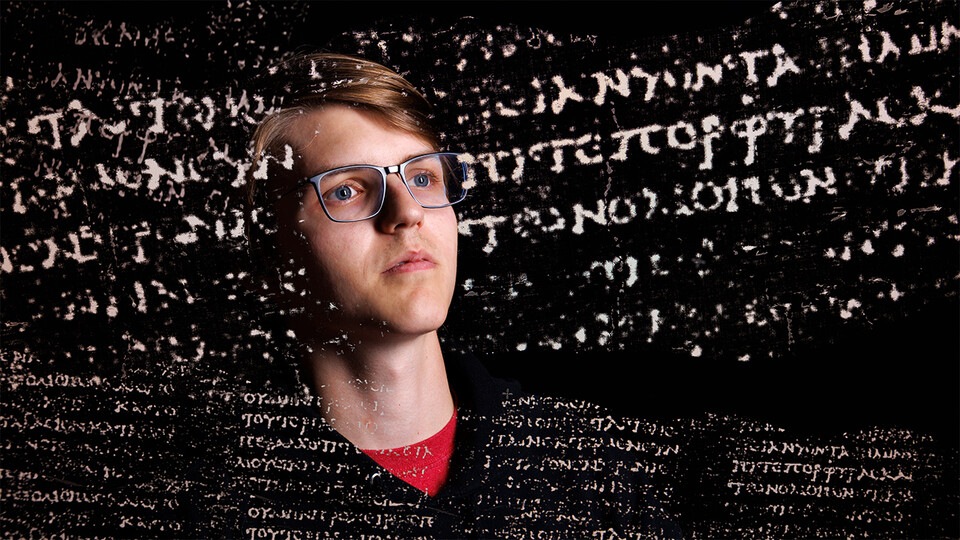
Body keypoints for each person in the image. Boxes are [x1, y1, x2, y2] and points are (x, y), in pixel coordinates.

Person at [184, 52, 682, 538]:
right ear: (269, 260)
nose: (407, 212)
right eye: (346, 190)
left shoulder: (596, 470)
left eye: (423, 178)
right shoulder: (209, 504)